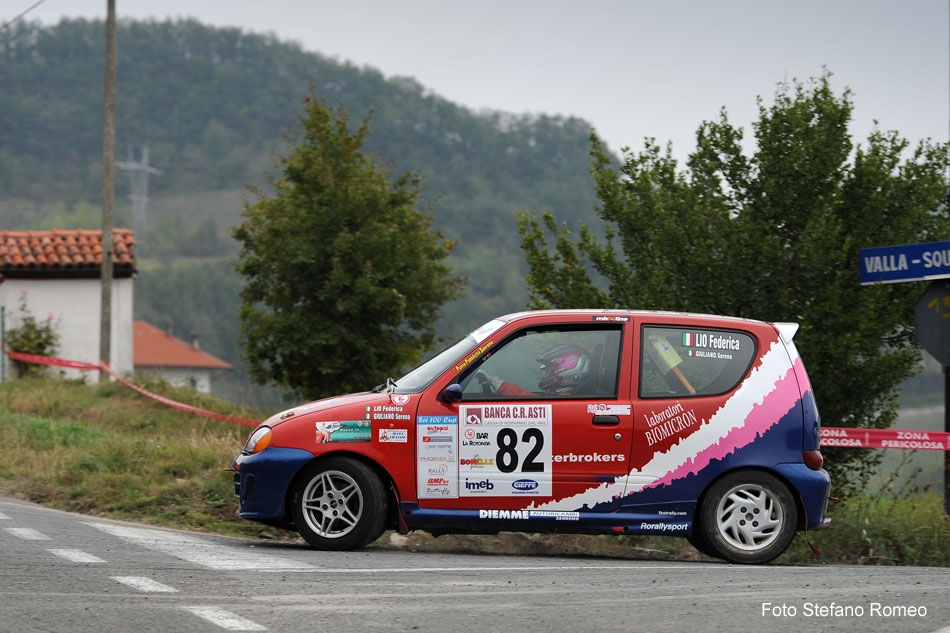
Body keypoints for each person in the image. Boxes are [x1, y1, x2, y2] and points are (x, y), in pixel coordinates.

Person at [475, 343, 592, 396]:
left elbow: (521, 396)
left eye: (549, 369)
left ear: (565, 367)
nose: (546, 374)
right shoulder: (566, 397)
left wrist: (493, 380)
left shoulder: (563, 401)